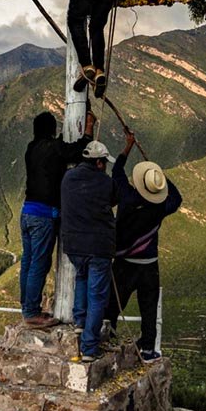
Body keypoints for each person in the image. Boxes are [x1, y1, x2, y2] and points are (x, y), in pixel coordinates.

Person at [105, 129, 181, 363]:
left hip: (124, 262)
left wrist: (128, 146)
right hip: (149, 265)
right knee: (148, 308)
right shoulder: (159, 207)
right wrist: (161, 178)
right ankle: (148, 348)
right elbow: (177, 198)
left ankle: (107, 338)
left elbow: (117, 171)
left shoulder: (127, 198)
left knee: (113, 304)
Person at [20, 109, 96, 327]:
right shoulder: (54, 148)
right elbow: (77, 151)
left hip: (27, 212)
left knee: (28, 261)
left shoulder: (31, 148)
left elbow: (60, 149)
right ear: (51, 130)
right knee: (39, 264)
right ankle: (32, 313)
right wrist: (88, 129)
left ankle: (26, 307)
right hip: (44, 215)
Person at [60, 139, 119, 363]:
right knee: (97, 296)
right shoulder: (106, 182)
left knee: (81, 277)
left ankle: (80, 321)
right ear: (99, 163)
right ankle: (89, 347)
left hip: (74, 245)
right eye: (104, 163)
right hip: (98, 246)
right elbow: (115, 198)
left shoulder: (68, 177)